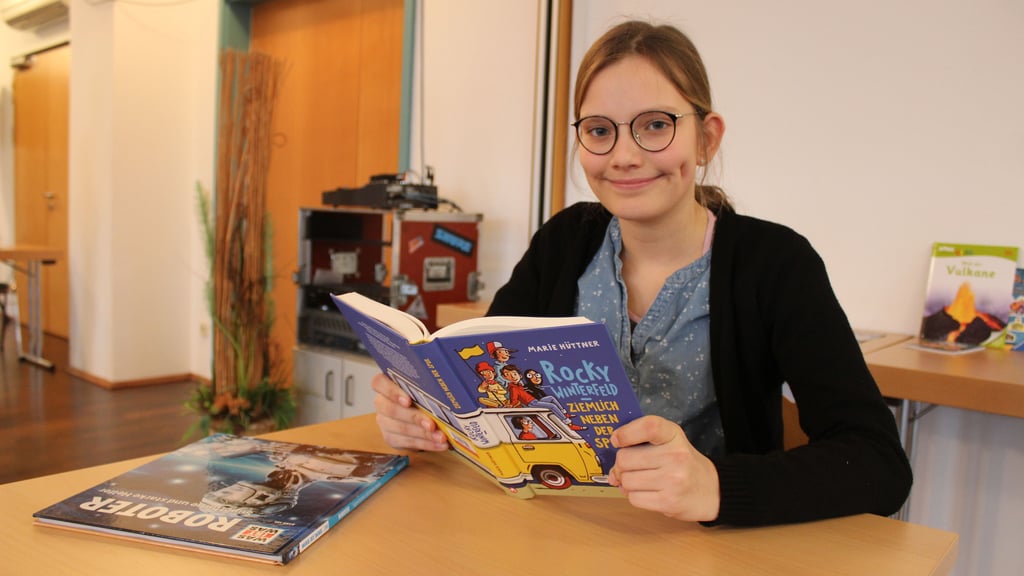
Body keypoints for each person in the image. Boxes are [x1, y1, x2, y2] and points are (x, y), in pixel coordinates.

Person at [371, 19, 911, 526]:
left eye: (656, 125)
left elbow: (879, 463)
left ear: (707, 137)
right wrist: (421, 415)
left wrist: (717, 485)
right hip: (554, 531)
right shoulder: (564, 243)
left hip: (704, 548)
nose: (625, 155)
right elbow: (481, 386)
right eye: (600, 130)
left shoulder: (775, 264)